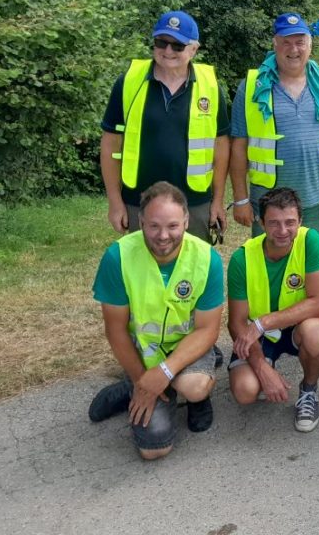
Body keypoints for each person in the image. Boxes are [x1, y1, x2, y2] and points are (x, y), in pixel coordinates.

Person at [88, 182, 224, 460]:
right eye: (154, 226)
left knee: (195, 387)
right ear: (140, 222)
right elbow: (115, 331)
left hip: (187, 351)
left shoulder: (207, 258)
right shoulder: (117, 257)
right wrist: (142, 382)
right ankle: (131, 386)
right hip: (143, 355)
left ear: (186, 221)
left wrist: (163, 373)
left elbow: (208, 329)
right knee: (155, 449)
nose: (163, 236)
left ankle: (192, 397)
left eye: (173, 226)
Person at [100, 11, 229, 242]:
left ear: (194, 49)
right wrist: (115, 202)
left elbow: (221, 147)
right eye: (161, 42)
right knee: (141, 264)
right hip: (139, 201)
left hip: (194, 202)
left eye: (177, 45)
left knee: (193, 264)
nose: (168, 51)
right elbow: (110, 144)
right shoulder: (128, 82)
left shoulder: (210, 87)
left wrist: (217, 201)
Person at [229, 12, 319, 237]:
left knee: (307, 255)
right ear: (275, 44)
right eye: (286, 42)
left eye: (300, 42)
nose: (293, 49)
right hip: (267, 200)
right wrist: (240, 199)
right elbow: (238, 145)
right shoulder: (253, 86)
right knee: (267, 257)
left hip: (312, 197)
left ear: (310, 46)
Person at [226, 187, 319, 432]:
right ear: (261, 223)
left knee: (316, 331)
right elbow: (236, 323)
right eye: (274, 223)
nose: (283, 231)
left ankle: (308, 390)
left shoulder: (310, 241)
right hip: (258, 336)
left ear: (300, 221)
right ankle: (266, 365)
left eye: (290, 222)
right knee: (245, 391)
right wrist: (261, 368)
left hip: (291, 328)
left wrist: (263, 322)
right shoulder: (242, 258)